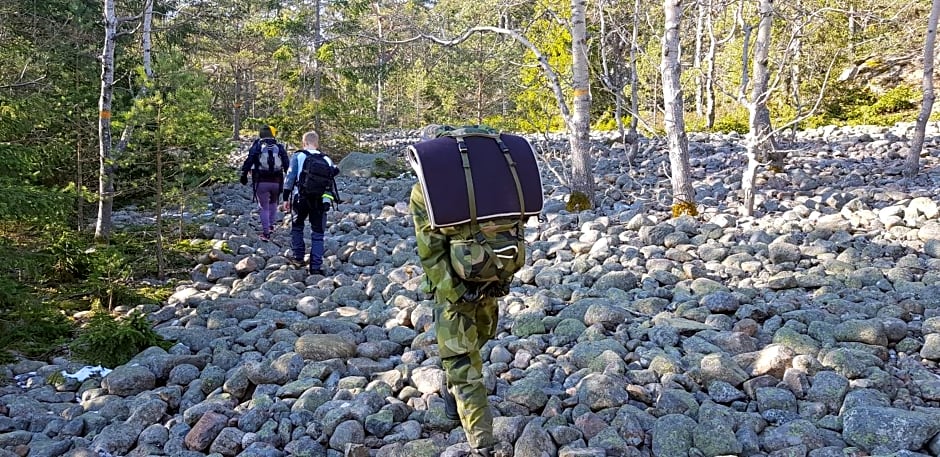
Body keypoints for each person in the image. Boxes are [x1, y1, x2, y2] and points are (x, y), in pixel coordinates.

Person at [409, 125, 511, 457]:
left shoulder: (425, 189)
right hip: (492, 277)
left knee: (463, 363)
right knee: (471, 347)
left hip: (454, 287)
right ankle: (457, 408)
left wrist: (453, 292)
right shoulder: (492, 178)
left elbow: (431, 251)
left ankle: (481, 445)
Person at [282, 131, 339, 275]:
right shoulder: (326, 159)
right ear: (317, 143)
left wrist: (285, 198)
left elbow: (290, 178)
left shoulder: (298, 156)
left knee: (297, 227)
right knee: (318, 234)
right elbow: (330, 183)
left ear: (304, 142)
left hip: (300, 198)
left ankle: (298, 258)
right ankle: (315, 267)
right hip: (320, 200)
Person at [240, 125, 289, 242]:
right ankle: (271, 226)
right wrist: (290, 181)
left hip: (261, 181)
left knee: (263, 207)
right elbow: (287, 164)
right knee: (273, 203)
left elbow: (249, 160)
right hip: (277, 181)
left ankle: (266, 233)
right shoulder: (279, 147)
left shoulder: (257, 146)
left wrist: (244, 174)